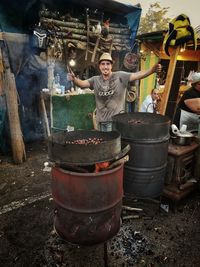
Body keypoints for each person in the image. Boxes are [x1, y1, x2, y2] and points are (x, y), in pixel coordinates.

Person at [67, 52, 161, 131]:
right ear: (99, 66)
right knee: (103, 147)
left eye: (108, 64)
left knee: (113, 149)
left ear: (111, 65)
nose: (105, 67)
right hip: (100, 122)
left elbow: (137, 75)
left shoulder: (120, 76)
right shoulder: (95, 80)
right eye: (103, 64)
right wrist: (74, 79)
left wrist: (151, 70)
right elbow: (82, 84)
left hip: (115, 122)